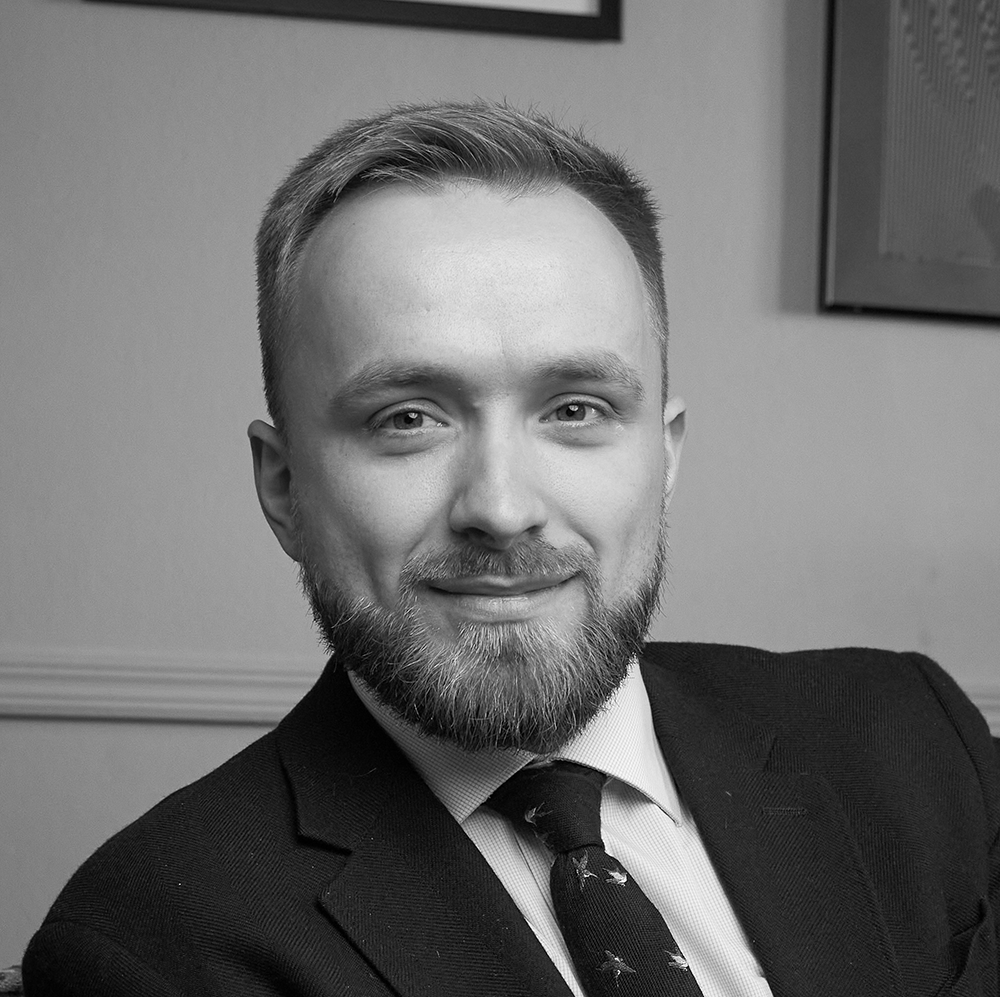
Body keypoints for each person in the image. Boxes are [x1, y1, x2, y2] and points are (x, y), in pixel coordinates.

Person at [22, 100, 999, 997]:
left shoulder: (914, 739)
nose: (500, 506)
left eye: (575, 409)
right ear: (283, 486)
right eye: (408, 417)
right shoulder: (157, 947)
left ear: (662, 455)